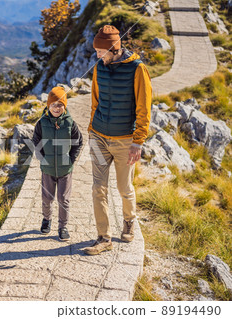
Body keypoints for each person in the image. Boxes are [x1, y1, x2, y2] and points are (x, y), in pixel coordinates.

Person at [85, 25, 152, 255]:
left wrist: (138, 141)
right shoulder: (98, 68)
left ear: (114, 48)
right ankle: (104, 237)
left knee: (124, 187)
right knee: (98, 188)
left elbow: (144, 107)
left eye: (100, 51)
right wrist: (92, 130)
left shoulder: (138, 69)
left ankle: (129, 221)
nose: (97, 55)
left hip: (125, 140)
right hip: (99, 137)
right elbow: (95, 101)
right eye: (96, 51)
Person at [32, 86, 83, 241]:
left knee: (63, 199)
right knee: (47, 198)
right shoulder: (42, 123)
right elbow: (36, 141)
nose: (57, 107)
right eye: (53, 104)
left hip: (65, 169)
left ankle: (63, 227)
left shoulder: (70, 123)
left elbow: (78, 142)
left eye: (60, 104)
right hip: (47, 169)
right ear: (48, 105)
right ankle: (46, 219)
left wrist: (71, 160)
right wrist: (43, 159)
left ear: (64, 106)